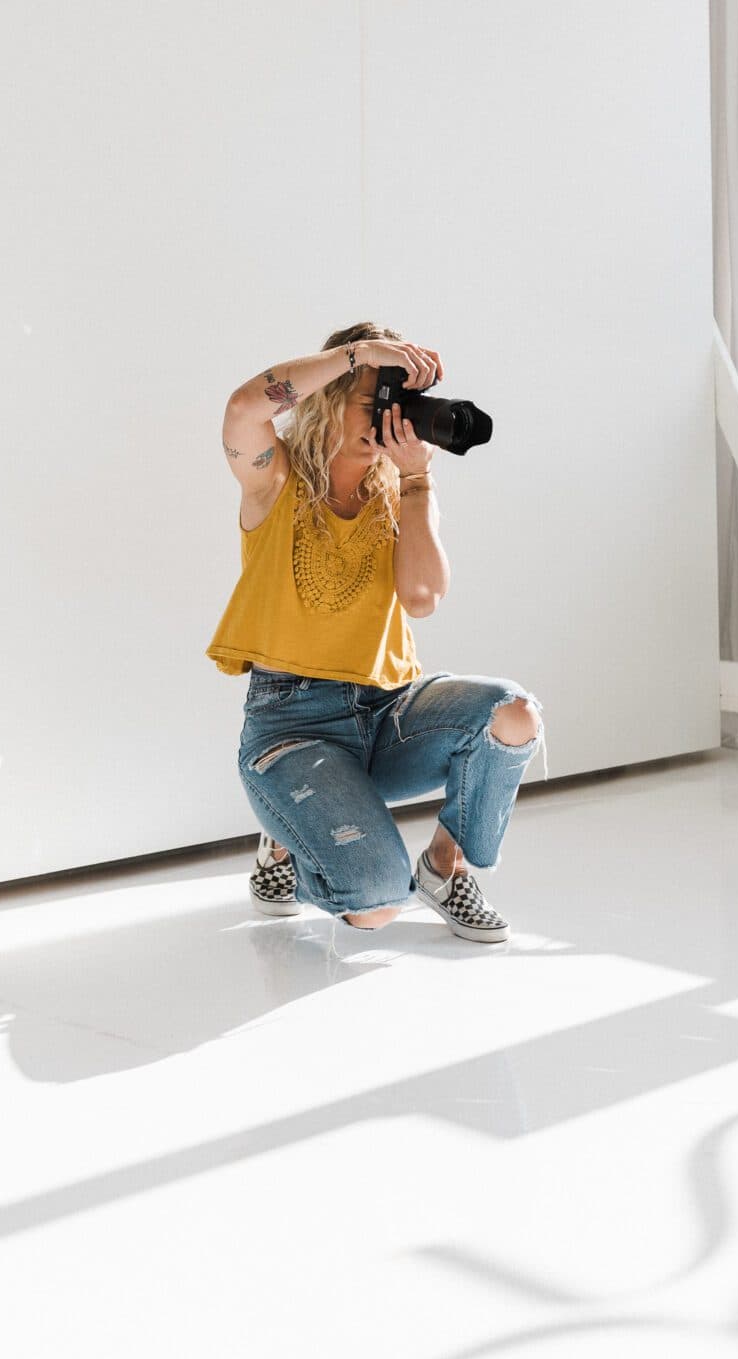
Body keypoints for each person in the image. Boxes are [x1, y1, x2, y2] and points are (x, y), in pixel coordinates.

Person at [205, 321, 546, 944]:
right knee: (375, 903)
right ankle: (286, 840)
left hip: (387, 712)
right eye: (377, 402)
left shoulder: (400, 492)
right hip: (292, 723)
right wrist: (357, 355)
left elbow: (423, 598)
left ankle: (446, 868)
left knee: (512, 713)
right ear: (331, 397)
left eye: (403, 406)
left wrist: (418, 479)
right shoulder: (273, 480)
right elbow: (243, 407)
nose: (395, 421)